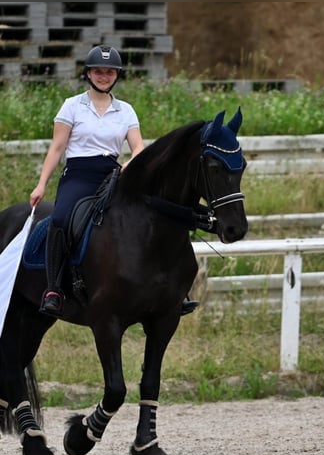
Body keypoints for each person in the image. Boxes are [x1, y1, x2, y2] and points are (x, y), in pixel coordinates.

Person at [29, 44, 198, 317]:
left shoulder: (126, 111)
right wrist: (41, 184)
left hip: (113, 173)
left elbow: (139, 148)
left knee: (152, 214)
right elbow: (57, 148)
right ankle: (54, 289)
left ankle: (174, 289)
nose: (103, 76)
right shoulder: (72, 106)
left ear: (116, 75)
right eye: (98, 71)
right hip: (79, 174)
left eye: (109, 72)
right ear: (89, 74)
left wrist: (126, 167)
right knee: (60, 218)